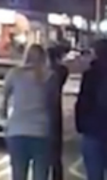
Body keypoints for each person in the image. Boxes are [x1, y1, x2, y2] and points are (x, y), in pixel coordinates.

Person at [0, 43, 52, 180]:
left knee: (18, 174)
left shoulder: (15, 74)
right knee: (40, 174)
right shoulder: (49, 76)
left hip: (17, 130)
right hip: (41, 131)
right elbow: (53, 103)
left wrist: (4, 119)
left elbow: (3, 97)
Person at [75, 38, 107, 180]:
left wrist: (81, 125)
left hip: (93, 130)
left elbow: (83, 101)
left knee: (94, 174)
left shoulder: (91, 75)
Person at [47, 45, 69, 180]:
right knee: (55, 153)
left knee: (49, 153)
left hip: (48, 112)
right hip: (54, 113)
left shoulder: (53, 72)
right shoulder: (60, 70)